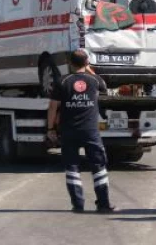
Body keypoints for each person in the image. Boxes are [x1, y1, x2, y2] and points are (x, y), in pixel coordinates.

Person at [47, 49, 115, 213]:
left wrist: (50, 129)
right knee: (98, 167)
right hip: (90, 131)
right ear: (86, 63)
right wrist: (89, 68)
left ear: (70, 63)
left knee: (72, 168)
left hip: (68, 130)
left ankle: (77, 205)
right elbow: (104, 85)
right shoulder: (94, 81)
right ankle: (104, 204)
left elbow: (52, 107)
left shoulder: (62, 81)